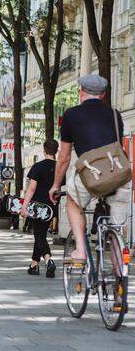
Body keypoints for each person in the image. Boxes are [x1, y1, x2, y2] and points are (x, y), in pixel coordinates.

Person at [49, 74, 131, 263]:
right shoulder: (115, 114)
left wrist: (55, 185)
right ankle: (120, 257)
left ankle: (80, 250)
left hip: (91, 174)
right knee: (118, 220)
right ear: (102, 94)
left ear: (81, 93)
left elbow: (64, 157)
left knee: (73, 203)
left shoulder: (71, 114)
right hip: (119, 174)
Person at [21, 140, 60, 277]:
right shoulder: (60, 168)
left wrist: (24, 207)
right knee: (40, 234)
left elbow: (31, 189)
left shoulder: (38, 166)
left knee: (38, 235)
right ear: (56, 150)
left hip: (38, 207)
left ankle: (49, 260)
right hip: (52, 206)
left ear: (44, 150)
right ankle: (34, 265)